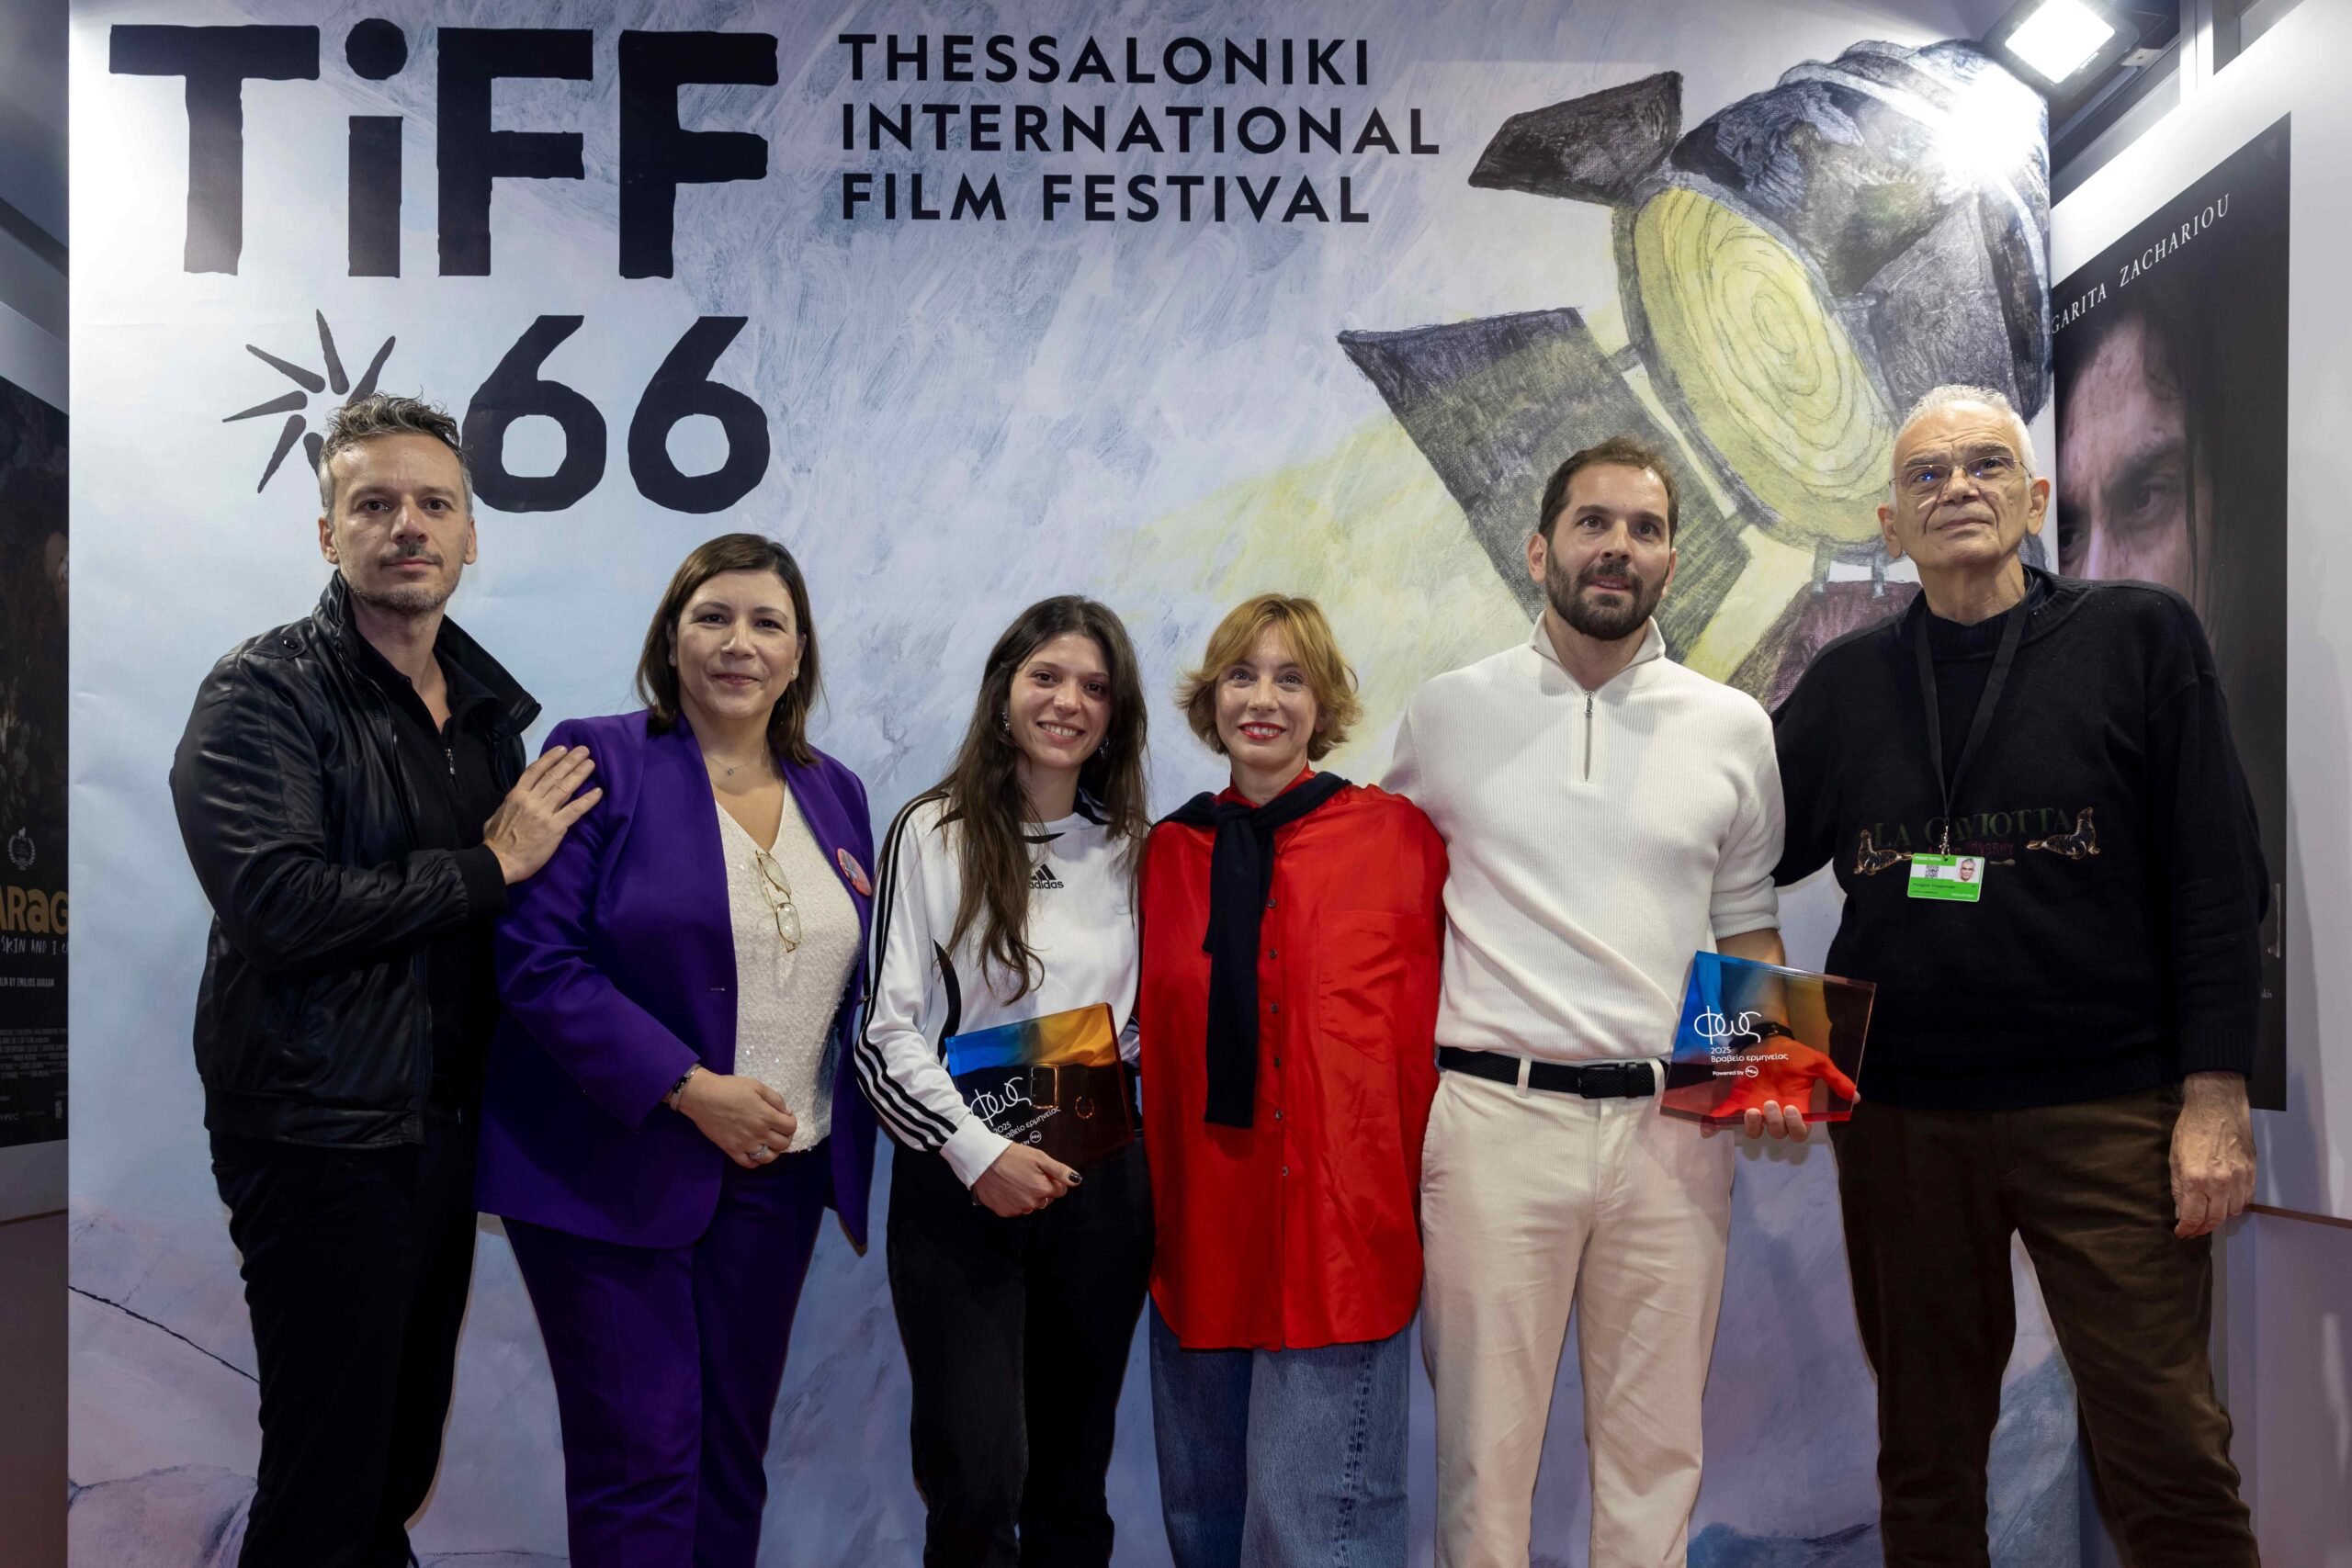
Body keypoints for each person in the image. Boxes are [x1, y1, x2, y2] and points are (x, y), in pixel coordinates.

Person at [1773, 384, 2265, 1565]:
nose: (1959, 488)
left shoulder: (2139, 637)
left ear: (2034, 498)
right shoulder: (1844, 684)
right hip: (1898, 1123)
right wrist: (1764, 1069)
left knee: (2169, 1454)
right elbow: (1736, 861)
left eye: (1986, 465)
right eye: (1927, 475)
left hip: (2107, 1112)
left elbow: (2216, 879)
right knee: (1924, 1462)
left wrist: (2214, 1097)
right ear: (1890, 524)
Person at [169, 393, 597, 1568]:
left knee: (394, 1463)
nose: (408, 526)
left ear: (470, 536)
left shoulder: (488, 718)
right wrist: (489, 864)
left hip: (444, 1133)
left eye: (434, 504)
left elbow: (518, 931)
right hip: (317, 1135)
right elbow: (278, 906)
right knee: (328, 1476)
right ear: (328, 533)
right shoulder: (263, 690)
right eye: (374, 505)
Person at [1385, 435, 1798, 1568]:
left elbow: (1745, 921)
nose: (1619, 547)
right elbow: (1386, 902)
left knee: (1655, 1460)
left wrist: (1771, 1071)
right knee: (1482, 1465)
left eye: (1645, 529)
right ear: (1540, 550)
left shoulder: (1733, 727)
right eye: (1594, 523)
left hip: (1672, 1134)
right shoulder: (1447, 711)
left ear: (1671, 561)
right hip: (1492, 1124)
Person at [477, 533, 877, 1568]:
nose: (739, 643)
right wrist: (690, 1089)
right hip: (612, 1173)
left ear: (798, 653)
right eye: (713, 617)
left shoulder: (836, 791)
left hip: (776, 1181)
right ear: (671, 637)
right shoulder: (597, 759)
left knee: (730, 1460)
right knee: (641, 1465)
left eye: (767, 622)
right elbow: (536, 961)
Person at [1139, 594, 1446, 1568]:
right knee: (1205, 1527)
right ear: (1211, 699)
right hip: (1203, 1241)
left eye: (1289, 678)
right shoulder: (1164, 855)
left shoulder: (1400, 840)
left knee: (1318, 1537)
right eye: (1241, 676)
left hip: (1338, 1242)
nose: (1262, 700)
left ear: (1323, 705)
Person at [856, 596, 1156, 1568]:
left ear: (1116, 714)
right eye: (1046, 677)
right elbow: (883, 1032)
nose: (1069, 702)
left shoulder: (1133, 848)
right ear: (1003, 693)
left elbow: (1139, 1029)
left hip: (1098, 1187)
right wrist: (981, 1154)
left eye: (1094, 687)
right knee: (976, 1485)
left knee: (1072, 1486)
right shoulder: (932, 830)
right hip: (960, 1183)